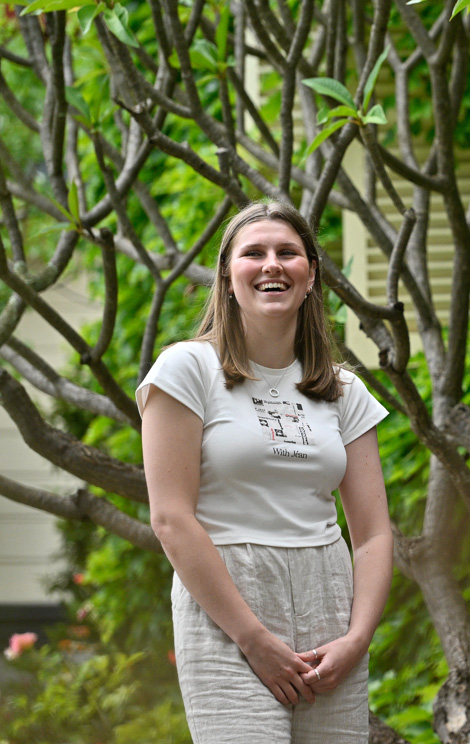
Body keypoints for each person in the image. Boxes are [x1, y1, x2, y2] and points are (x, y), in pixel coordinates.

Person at [138, 202, 393, 743]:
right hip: (228, 604)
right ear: (228, 276)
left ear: (311, 275)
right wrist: (252, 638)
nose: (272, 264)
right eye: (253, 253)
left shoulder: (344, 390)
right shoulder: (187, 370)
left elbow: (373, 534)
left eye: (288, 253)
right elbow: (170, 518)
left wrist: (357, 639)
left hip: (330, 605)